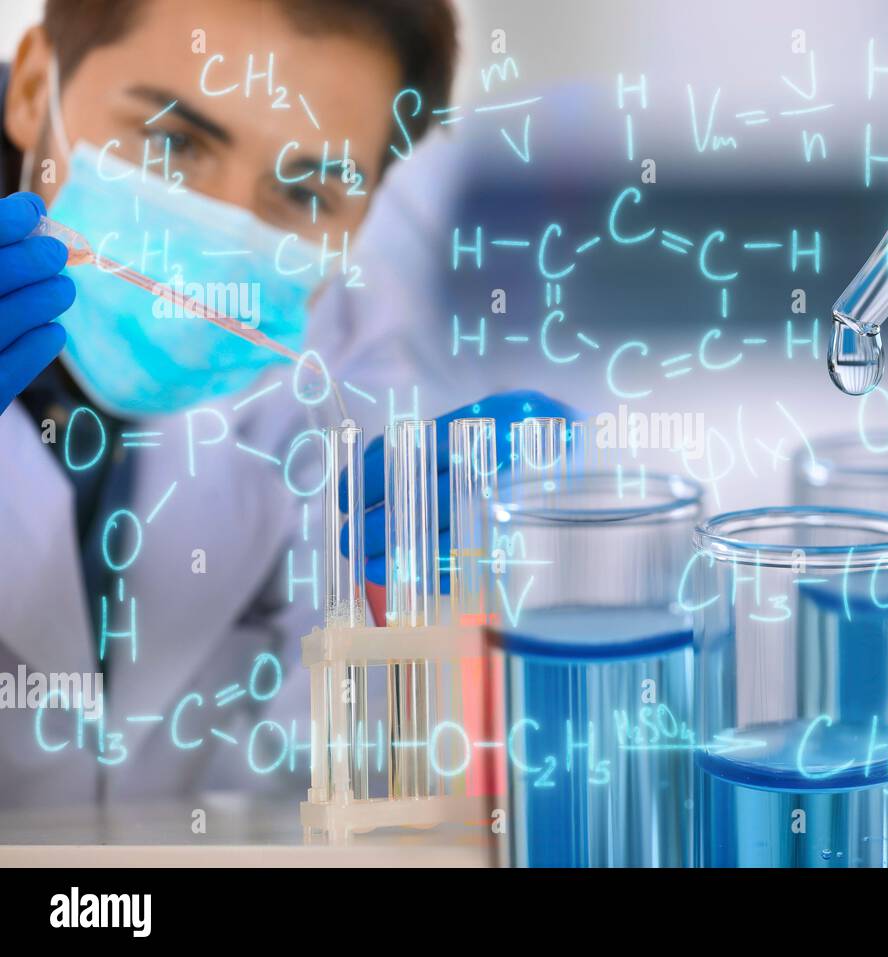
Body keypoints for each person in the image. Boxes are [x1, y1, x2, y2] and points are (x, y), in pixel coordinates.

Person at [0, 0, 574, 807]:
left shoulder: (350, 370)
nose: (228, 234)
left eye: (305, 193)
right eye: (172, 142)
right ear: (31, 89)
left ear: (367, 209)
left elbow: (350, 792)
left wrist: (420, 621)